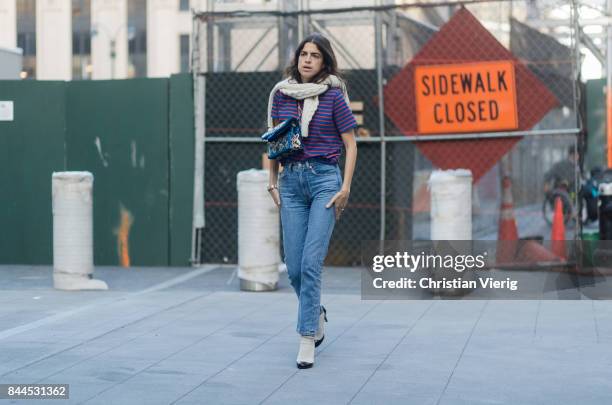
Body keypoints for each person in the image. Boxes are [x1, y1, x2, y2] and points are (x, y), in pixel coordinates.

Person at [265, 33, 358, 369]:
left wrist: (345, 186)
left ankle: (307, 337)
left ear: (324, 62)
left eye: (314, 56)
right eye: (303, 54)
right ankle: (315, 310)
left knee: (310, 263)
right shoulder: (282, 94)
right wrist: (271, 181)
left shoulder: (334, 97)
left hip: (323, 181)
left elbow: (351, 144)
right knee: (293, 268)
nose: (307, 60)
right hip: (290, 182)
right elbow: (274, 143)